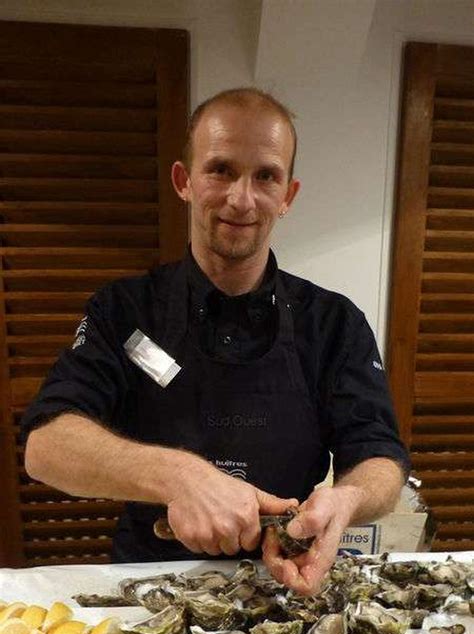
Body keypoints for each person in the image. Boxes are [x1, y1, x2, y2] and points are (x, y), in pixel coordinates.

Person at [22, 88, 409, 595]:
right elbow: (45, 446)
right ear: (183, 181)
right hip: (149, 584)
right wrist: (180, 477)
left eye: (265, 176)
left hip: (283, 579)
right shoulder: (122, 310)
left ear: (288, 196)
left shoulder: (335, 323)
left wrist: (347, 500)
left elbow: (381, 457)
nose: (241, 199)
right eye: (221, 170)